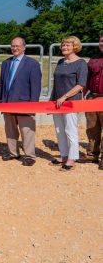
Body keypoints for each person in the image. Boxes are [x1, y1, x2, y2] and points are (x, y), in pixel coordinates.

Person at [0, 37, 42, 166]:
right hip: (8, 103)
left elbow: (36, 86)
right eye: (13, 46)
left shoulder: (32, 64)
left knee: (27, 131)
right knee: (10, 130)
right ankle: (13, 153)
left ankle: (29, 155)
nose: (15, 48)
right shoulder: (6, 63)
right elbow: (2, 84)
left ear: (23, 47)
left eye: (17, 46)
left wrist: (33, 106)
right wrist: (1, 101)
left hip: (25, 103)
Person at [50, 36, 88, 171]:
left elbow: (81, 84)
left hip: (71, 102)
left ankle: (72, 158)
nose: (64, 47)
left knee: (70, 130)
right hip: (57, 102)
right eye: (63, 45)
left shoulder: (81, 63)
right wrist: (52, 101)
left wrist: (65, 97)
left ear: (75, 47)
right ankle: (64, 155)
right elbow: (56, 83)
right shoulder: (60, 62)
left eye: (68, 45)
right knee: (59, 130)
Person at [78, 34, 103, 170]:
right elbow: (87, 79)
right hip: (92, 98)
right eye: (101, 41)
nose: (102, 43)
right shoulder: (93, 59)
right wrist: (83, 94)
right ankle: (92, 154)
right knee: (92, 128)